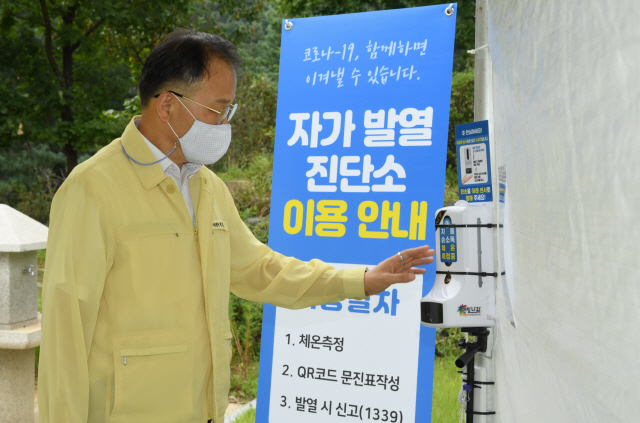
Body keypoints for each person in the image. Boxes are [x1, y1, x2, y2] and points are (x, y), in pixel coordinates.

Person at [38, 29, 435, 423]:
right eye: (217, 109)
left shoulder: (206, 186)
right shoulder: (92, 190)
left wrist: (362, 279)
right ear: (167, 106)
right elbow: (65, 335)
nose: (224, 123)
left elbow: (260, 270)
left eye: (230, 110)